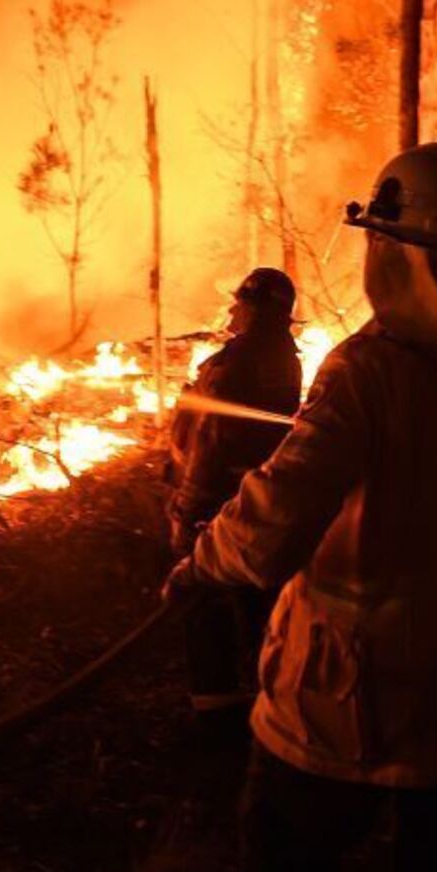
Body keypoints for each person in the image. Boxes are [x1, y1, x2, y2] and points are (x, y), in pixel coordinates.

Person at [166, 143, 437, 872]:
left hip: (349, 697)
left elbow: (270, 522)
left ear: (393, 250)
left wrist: (199, 564)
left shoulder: (367, 373)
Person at [167, 268, 305, 727]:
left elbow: (209, 439)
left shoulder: (232, 363)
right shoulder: (286, 358)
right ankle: (269, 689)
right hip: (260, 493)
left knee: (203, 592)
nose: (231, 311)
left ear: (253, 307)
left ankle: (214, 703)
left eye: (239, 303)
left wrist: (187, 506)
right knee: (256, 594)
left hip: (216, 496)